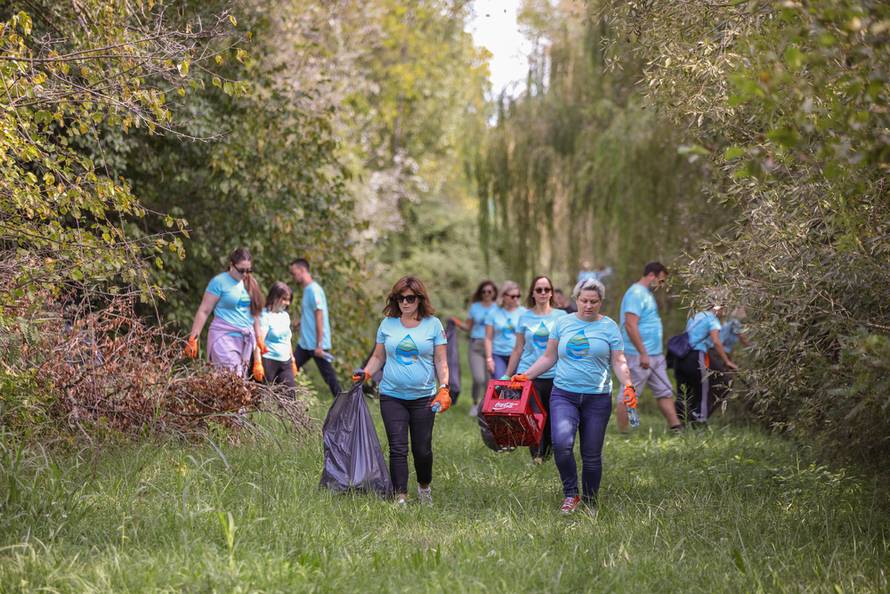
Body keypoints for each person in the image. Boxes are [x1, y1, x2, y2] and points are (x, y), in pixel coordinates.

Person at [512, 278, 635, 513]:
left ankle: (590, 501)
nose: (588, 305)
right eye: (584, 300)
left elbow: (618, 361)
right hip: (564, 394)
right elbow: (549, 357)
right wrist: (525, 376)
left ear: (601, 302)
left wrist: (627, 385)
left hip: (597, 398)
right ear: (576, 299)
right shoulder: (563, 323)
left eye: (594, 301)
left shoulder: (609, 327)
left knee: (591, 454)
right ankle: (571, 495)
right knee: (561, 445)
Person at [353, 276, 451, 506]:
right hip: (391, 395)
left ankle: (424, 487)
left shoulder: (433, 325)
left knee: (422, 450)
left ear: (420, 299)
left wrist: (444, 388)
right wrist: (366, 373)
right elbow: (378, 356)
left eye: (410, 298)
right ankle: (400, 497)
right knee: (398, 448)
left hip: (424, 397)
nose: (405, 303)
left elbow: (441, 361)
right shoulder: (387, 324)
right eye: (400, 298)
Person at [505, 275, 566, 463]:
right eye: (539, 289)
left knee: (549, 416)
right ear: (532, 293)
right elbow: (518, 348)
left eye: (546, 289)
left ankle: (547, 454)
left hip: (554, 374)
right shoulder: (524, 317)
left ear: (551, 293)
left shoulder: (561, 316)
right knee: (533, 415)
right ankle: (536, 456)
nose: (543, 293)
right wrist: (508, 374)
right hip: (528, 374)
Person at [618, 262, 683, 432]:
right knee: (630, 394)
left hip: (655, 355)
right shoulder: (635, 293)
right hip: (638, 355)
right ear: (652, 275)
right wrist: (643, 353)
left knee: (665, 391)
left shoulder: (646, 293)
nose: (661, 285)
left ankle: (676, 427)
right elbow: (630, 325)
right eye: (661, 281)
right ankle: (624, 433)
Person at [184, 248, 265, 378]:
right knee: (234, 377)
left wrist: (259, 338)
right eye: (241, 270)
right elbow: (204, 311)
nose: (245, 274)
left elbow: (254, 314)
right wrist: (193, 339)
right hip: (223, 336)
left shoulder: (250, 283)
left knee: (232, 383)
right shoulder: (219, 282)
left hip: (243, 340)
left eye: (248, 270)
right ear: (232, 265)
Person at [674, 304, 738, 425]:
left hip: (682, 356)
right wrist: (727, 361)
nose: (724, 312)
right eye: (724, 308)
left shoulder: (695, 316)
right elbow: (716, 341)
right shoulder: (712, 319)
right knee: (706, 388)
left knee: (688, 390)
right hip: (697, 355)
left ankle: (685, 420)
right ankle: (700, 420)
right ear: (717, 308)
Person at [289, 258, 340, 398]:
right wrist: (300, 322)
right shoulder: (307, 290)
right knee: (289, 370)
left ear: (302, 270)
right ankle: (286, 403)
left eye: (294, 273)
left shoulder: (314, 290)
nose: (293, 277)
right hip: (305, 344)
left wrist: (319, 345)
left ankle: (344, 406)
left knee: (330, 379)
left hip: (317, 346)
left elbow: (319, 317)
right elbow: (311, 315)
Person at [452, 280, 497, 415]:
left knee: (489, 380)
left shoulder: (498, 308)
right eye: (484, 291)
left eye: (489, 291)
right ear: (480, 293)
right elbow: (468, 327)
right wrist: (456, 321)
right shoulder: (475, 307)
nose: (486, 294)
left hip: (493, 346)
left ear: (494, 293)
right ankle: (475, 403)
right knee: (478, 378)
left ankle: (486, 406)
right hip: (476, 345)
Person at [258, 281, 299, 390]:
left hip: (285, 361)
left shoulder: (285, 316)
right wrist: (257, 363)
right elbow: (259, 341)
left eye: (289, 300)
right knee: (260, 396)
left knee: (290, 396)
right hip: (268, 360)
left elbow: (287, 340)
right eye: (284, 299)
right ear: (275, 297)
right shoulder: (265, 315)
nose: (287, 303)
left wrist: (292, 359)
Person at [484, 281, 526, 380]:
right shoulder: (493, 313)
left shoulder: (524, 312)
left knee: (517, 386)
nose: (516, 298)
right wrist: (489, 359)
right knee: (500, 385)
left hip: (518, 356)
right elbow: (488, 338)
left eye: (518, 296)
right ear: (503, 296)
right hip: (498, 355)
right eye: (512, 296)